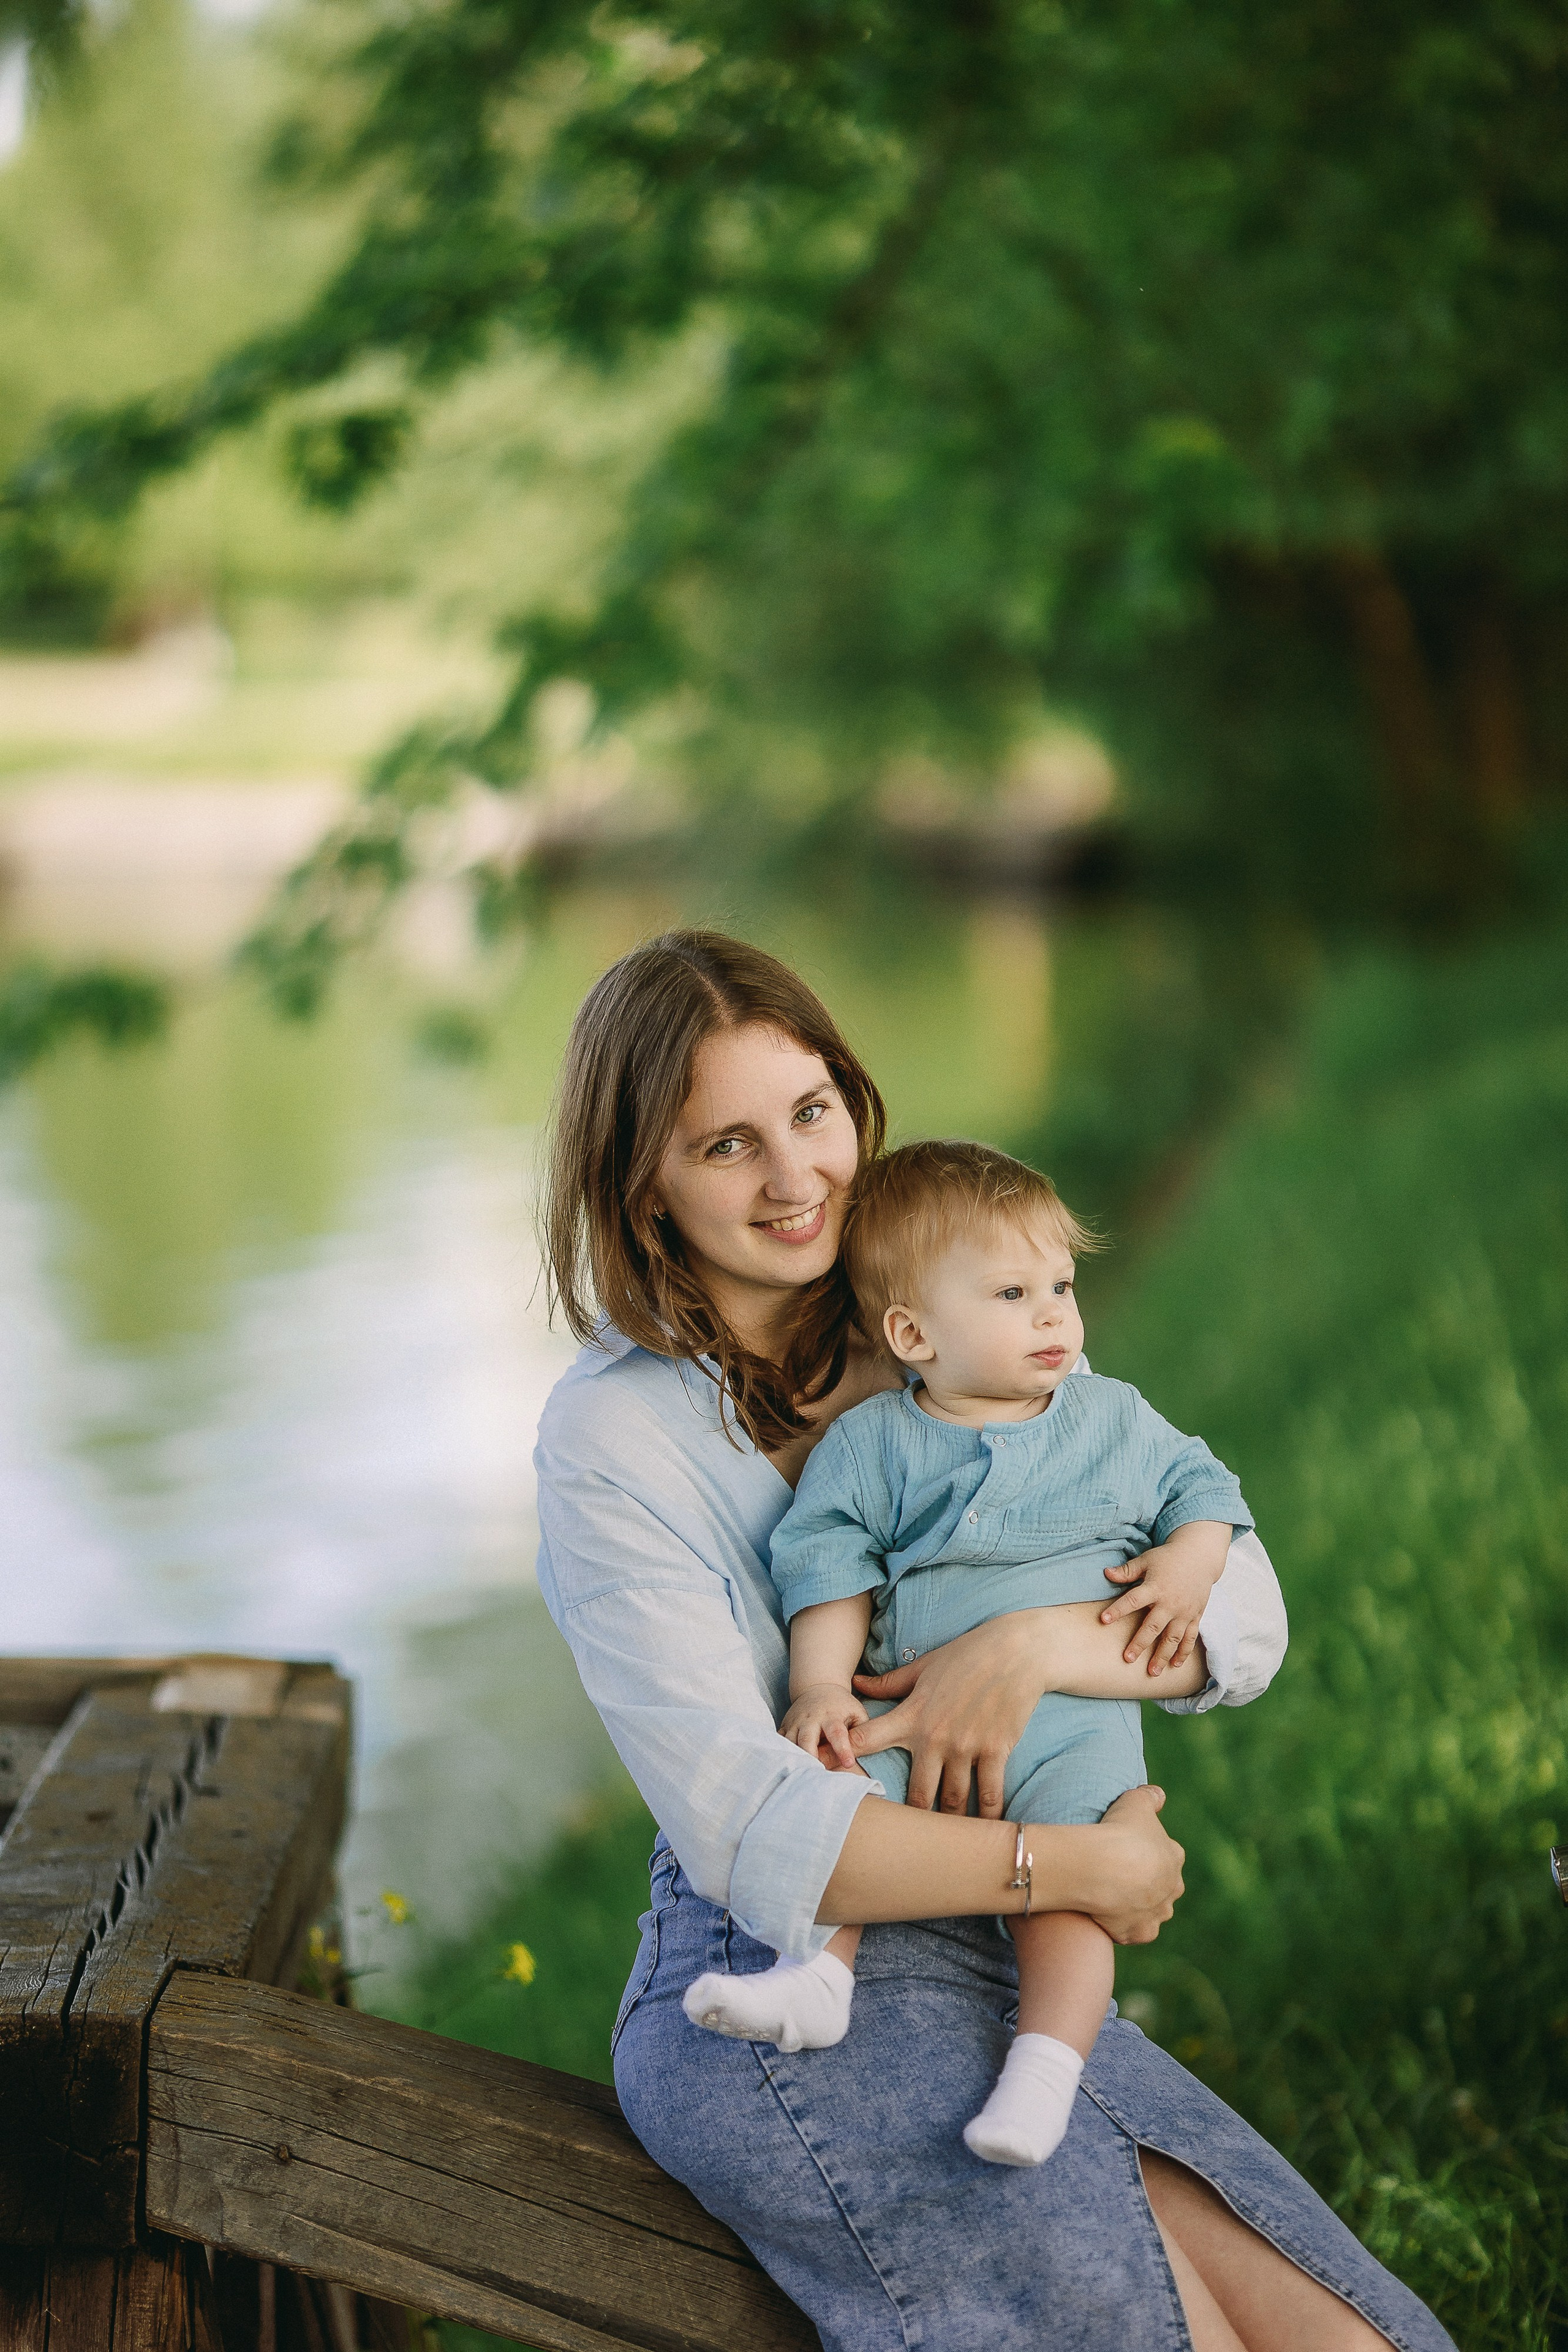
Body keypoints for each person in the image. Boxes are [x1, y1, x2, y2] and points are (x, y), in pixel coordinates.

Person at [533, 929, 1453, 2351]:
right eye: (725, 1145)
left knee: (1364, 2342)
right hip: (788, 1970)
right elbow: (749, 1829)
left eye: (810, 1112)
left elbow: (1239, 1606)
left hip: (1012, 1962)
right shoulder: (613, 1436)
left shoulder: (952, 1306)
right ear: (641, 1186)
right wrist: (1071, 1865)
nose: (794, 1178)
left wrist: (1026, 1651)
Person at [682, 1138, 1253, 2171]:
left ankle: (1044, 2073)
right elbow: (829, 1566)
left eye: (1062, 1286)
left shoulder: (1111, 1418)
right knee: (837, 1786)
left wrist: (1191, 1561)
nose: (1054, 1316)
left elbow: (1205, 1487)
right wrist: (821, 1687)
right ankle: (818, 1980)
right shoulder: (874, 1444)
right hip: (907, 1717)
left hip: (1072, 1728)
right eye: (1012, 1294)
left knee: (1077, 1896)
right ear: (914, 1333)